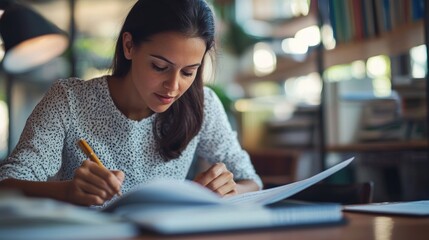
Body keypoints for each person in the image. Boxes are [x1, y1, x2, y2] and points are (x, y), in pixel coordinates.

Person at [0, 0, 262, 206]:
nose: (173, 87)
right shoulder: (69, 100)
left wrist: (230, 190)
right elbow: (7, 184)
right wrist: (66, 191)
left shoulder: (203, 105)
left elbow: (252, 181)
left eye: (188, 72)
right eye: (160, 67)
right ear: (129, 46)